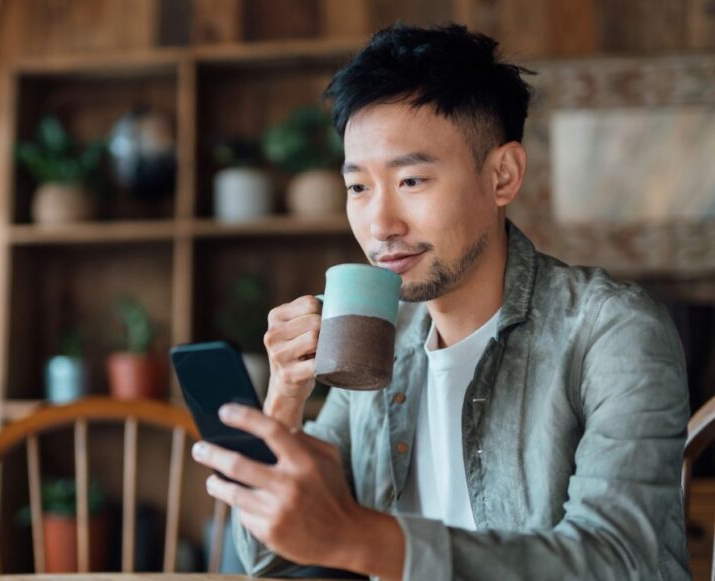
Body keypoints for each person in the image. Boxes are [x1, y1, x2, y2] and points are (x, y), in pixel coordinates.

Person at [190, 23, 690, 580]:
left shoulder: (612, 330)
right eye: (358, 187)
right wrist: (285, 402)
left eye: (411, 181)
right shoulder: (379, 337)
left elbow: (620, 561)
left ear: (502, 176)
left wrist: (360, 539)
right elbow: (273, 560)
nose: (380, 224)